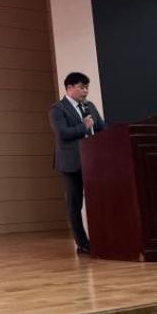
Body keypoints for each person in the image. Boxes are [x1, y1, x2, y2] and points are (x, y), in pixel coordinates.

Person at [49, 72, 106, 255]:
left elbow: (102, 129)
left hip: (92, 162)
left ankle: (102, 238)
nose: (85, 91)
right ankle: (82, 243)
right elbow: (63, 133)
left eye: (87, 87)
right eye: (82, 87)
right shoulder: (58, 109)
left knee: (98, 201)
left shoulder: (90, 107)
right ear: (69, 88)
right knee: (75, 205)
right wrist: (84, 127)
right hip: (70, 164)